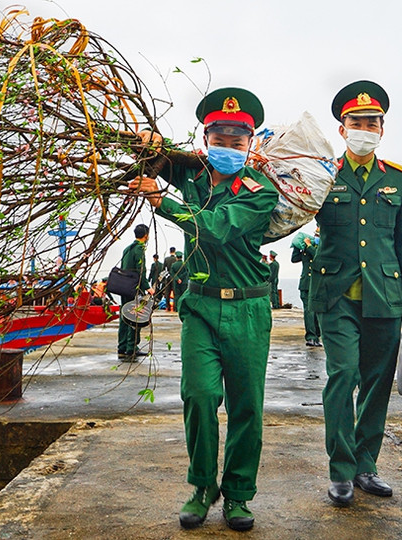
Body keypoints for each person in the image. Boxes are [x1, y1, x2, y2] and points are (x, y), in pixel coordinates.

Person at [130, 87, 278, 531]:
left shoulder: (259, 190)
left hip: (249, 310)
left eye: (238, 141)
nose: (229, 148)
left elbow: (215, 228)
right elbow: (147, 152)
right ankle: (201, 486)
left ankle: (237, 494)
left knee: (246, 406)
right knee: (198, 396)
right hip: (199, 308)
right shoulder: (192, 173)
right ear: (206, 138)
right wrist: (143, 142)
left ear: (250, 144)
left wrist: (163, 202)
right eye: (221, 139)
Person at [310, 80, 402, 507]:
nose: (365, 127)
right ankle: (340, 470)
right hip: (336, 295)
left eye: (372, 122)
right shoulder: (322, 175)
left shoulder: (397, 179)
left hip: (386, 296)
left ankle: (365, 465)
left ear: (382, 128)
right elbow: (293, 208)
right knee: (343, 377)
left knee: (376, 383)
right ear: (342, 128)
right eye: (357, 121)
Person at [117, 224, 155, 362]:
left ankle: (122, 347)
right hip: (134, 287)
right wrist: (147, 287)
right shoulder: (139, 249)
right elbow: (141, 270)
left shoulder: (127, 249)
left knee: (124, 316)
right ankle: (131, 347)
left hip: (124, 286)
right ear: (146, 235)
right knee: (134, 317)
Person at [291, 229, 322, 346]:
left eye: (317, 235)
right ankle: (311, 337)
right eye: (315, 235)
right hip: (305, 284)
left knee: (316, 311)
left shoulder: (320, 248)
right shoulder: (306, 248)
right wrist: (296, 246)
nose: (315, 237)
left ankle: (317, 335)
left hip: (317, 284)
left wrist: (309, 245)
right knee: (308, 311)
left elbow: (318, 258)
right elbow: (294, 259)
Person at [163, 247, 177, 311]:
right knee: (175, 293)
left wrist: (166, 276)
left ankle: (167, 307)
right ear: (175, 251)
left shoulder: (166, 259)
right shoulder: (176, 259)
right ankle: (174, 307)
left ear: (169, 251)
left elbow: (163, 269)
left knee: (167, 293)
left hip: (168, 277)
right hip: (175, 278)